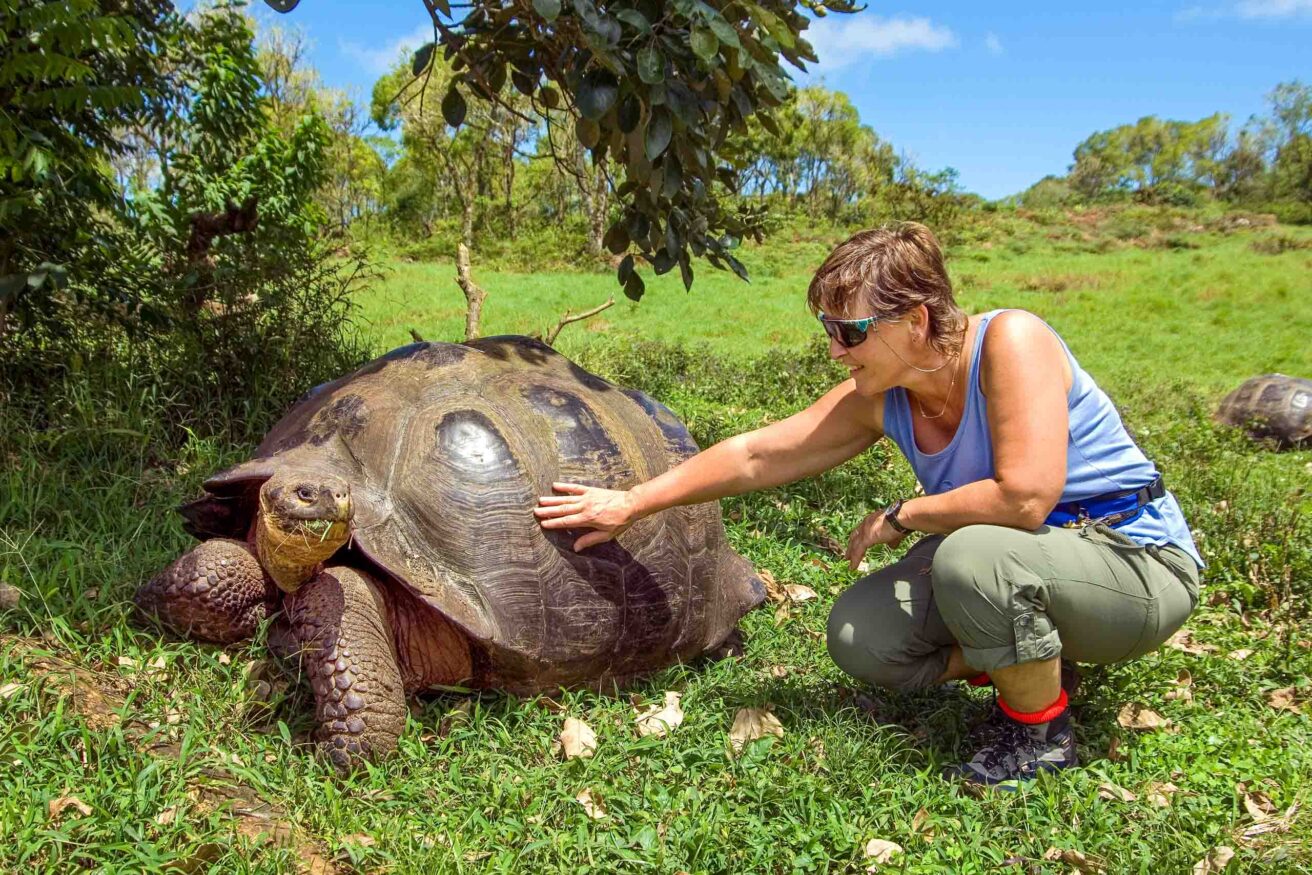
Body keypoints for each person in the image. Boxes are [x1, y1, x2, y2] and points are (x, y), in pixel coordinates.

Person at [533, 222, 1202, 787]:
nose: (833, 348)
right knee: (862, 634)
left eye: (849, 330)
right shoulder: (886, 397)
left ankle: (1039, 731)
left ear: (915, 321)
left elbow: (1025, 497)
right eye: (828, 328)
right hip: (1030, 565)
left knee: (971, 557)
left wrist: (904, 515)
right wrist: (632, 500)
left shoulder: (1012, 341)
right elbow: (758, 454)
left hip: (1134, 562)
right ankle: (1037, 656)